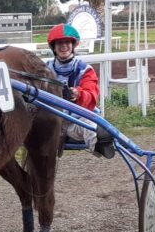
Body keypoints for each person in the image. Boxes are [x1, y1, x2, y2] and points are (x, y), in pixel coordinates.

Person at [44, 23, 114, 158]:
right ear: (54, 47)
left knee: (91, 127)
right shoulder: (45, 69)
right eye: (59, 43)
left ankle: (101, 146)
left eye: (67, 42)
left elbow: (92, 96)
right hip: (54, 123)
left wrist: (77, 94)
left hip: (78, 121)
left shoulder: (84, 70)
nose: (64, 46)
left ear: (73, 45)